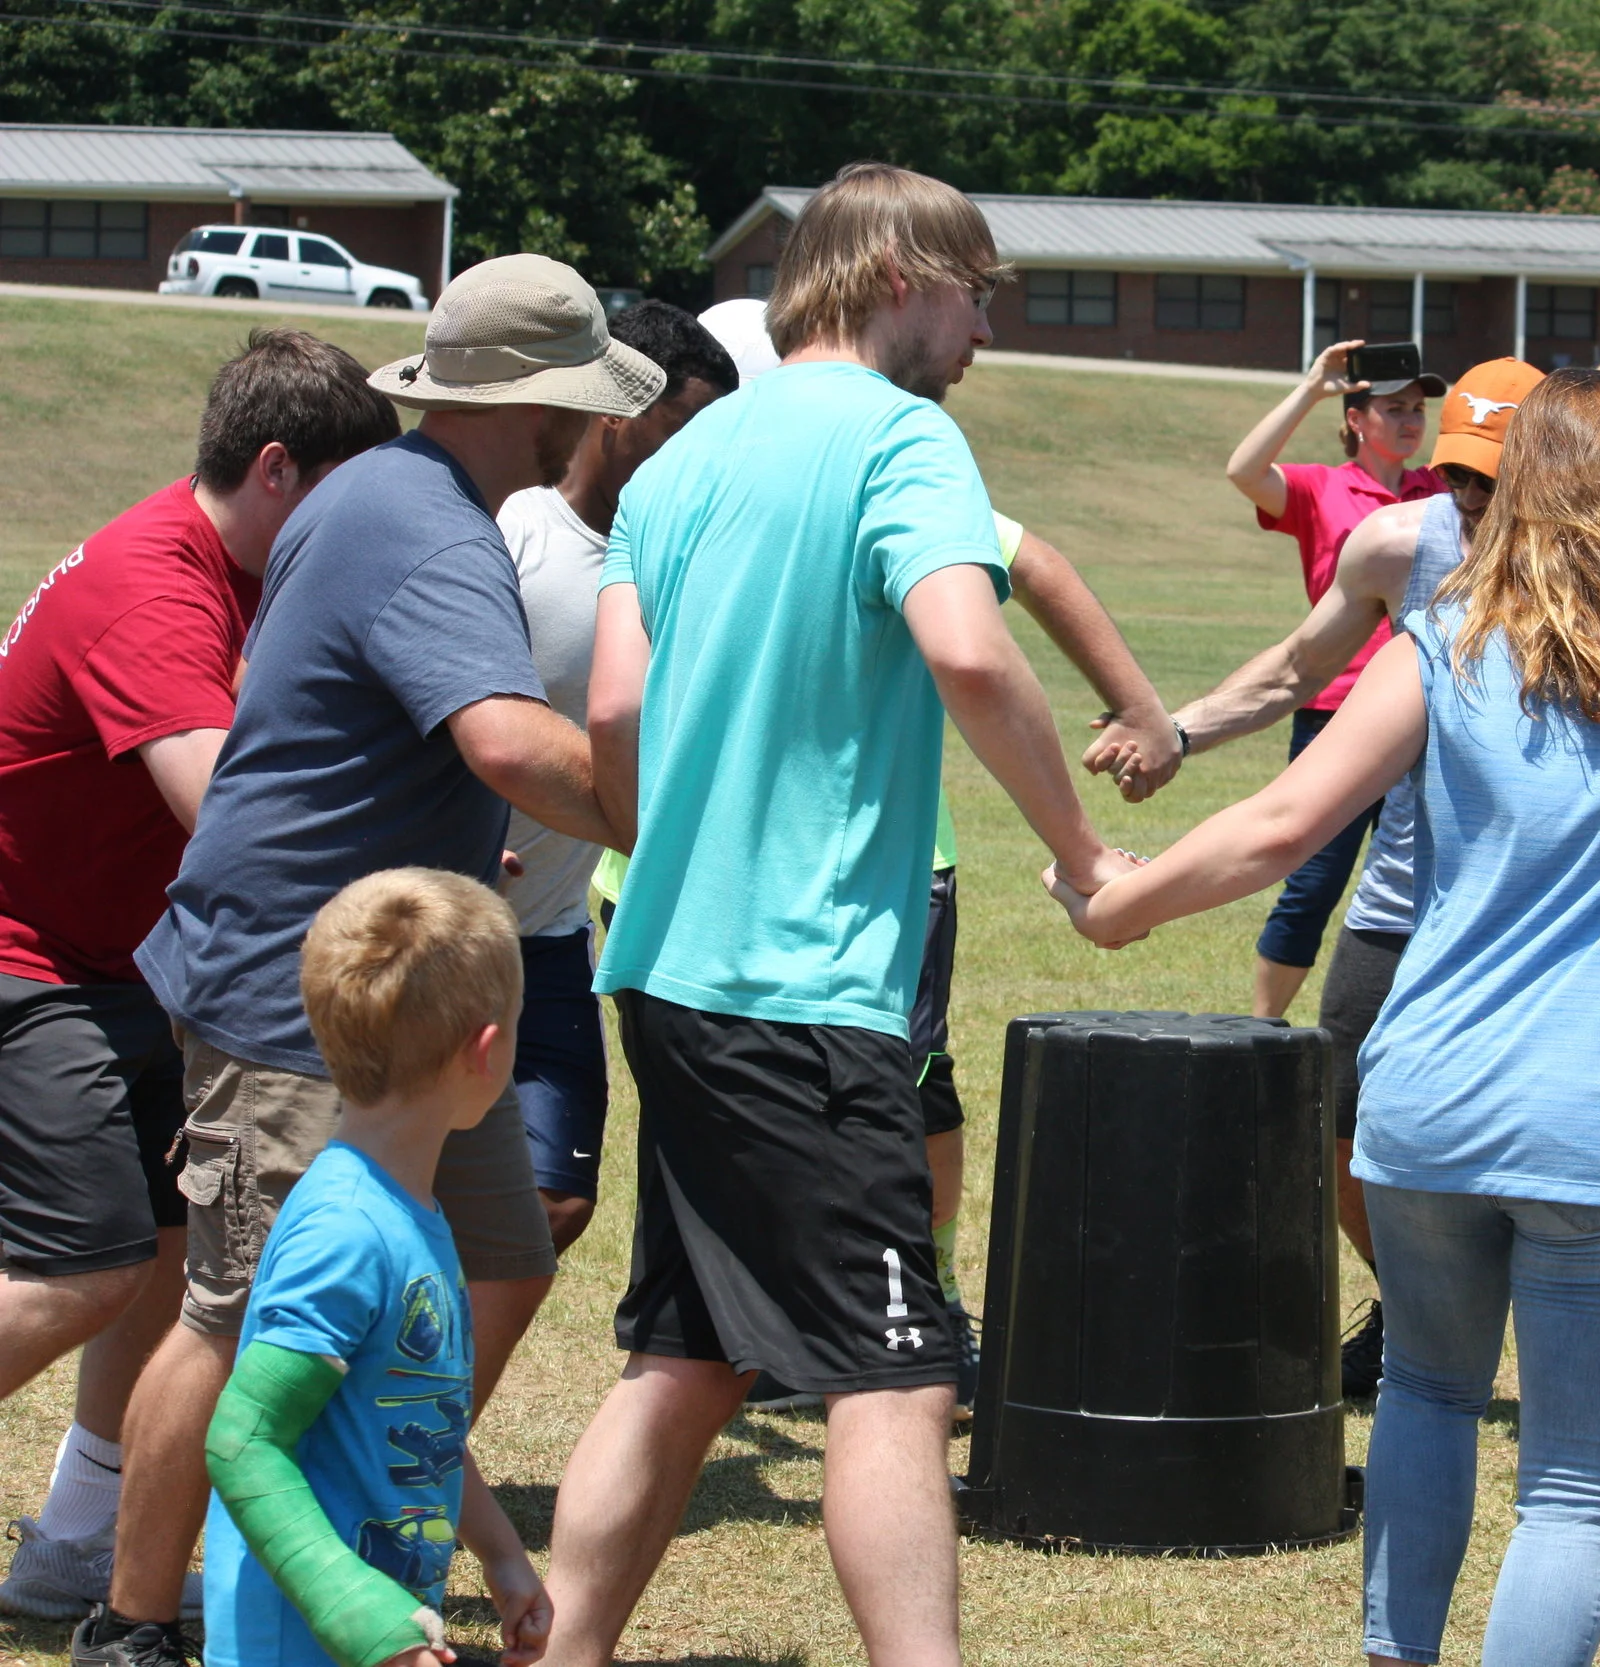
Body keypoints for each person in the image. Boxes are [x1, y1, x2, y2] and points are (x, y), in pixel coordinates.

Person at [1053, 368, 1600, 1667]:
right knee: (1570, 1484)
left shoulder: (1446, 640)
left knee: (1430, 1393)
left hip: (1432, 1095)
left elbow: (1282, 823)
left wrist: (1123, 905)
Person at [535, 164, 1134, 1667]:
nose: (987, 325)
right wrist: (1080, 851)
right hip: (806, 991)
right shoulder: (903, 437)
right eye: (975, 290)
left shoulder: (677, 460)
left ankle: (558, 1647)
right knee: (894, 1375)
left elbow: (616, 702)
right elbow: (974, 653)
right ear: (892, 281)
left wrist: (662, 830)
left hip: (666, 963)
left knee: (683, 1351)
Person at [78, 254, 651, 1667]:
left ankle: (366, 1499)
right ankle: (135, 1619)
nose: (604, 434)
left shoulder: (392, 496)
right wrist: (669, 817)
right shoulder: (431, 524)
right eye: (591, 407)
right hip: (299, 989)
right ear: (545, 408)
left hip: (392, 981)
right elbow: (508, 739)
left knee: (502, 1260)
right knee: (236, 1314)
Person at [690, 297, 1177, 1420]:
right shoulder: (687, 484)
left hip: (872, 866)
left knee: (898, 1096)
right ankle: (789, 1326)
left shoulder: (870, 470)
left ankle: (917, 1307)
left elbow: (1022, 573)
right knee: (764, 1118)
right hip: (712, 873)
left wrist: (1140, 708)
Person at [0, 331, 399, 1625]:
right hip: (25, 950)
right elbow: (226, 807)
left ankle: (73, 1542)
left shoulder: (230, 566)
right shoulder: (155, 587)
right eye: (342, 495)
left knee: (175, 1248)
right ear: (276, 470)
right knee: (80, 1263)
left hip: (120, 953)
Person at [1125, 358, 1543, 1395]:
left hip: (1541, 907)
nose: (1476, 498)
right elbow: (1293, 670)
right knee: (1341, 1120)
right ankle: (1417, 1305)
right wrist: (1180, 730)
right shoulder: (1404, 543)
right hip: (1405, 898)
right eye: (1461, 474)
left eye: (1501, 476)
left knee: (1572, 1150)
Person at [200, 869, 548, 1667]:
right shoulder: (348, 1231)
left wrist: (498, 1551)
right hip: (296, 1642)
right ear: (486, 1050)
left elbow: (418, 1416)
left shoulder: (406, 1209)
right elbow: (243, 1439)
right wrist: (350, 1604)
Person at [496, 300, 738, 1255]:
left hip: (554, 938)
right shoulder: (513, 534)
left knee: (555, 1201)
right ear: (613, 409)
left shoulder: (684, 567)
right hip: (441, 919)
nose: (701, 459)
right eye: (683, 427)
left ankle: (403, 1389)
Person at [1222, 338, 1448, 1020]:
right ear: (1356, 418)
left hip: (1426, 710)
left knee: (1425, 883)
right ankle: (1263, 1032)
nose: (1411, 421)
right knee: (1314, 881)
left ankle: (1400, 1018)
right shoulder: (1322, 488)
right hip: (1337, 709)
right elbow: (1244, 469)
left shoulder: (1440, 489)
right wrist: (1313, 385)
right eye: (1393, 408)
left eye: (1418, 409)